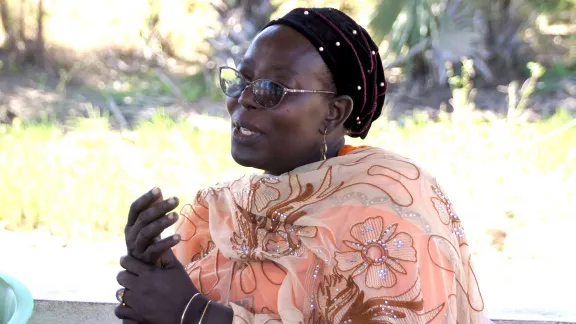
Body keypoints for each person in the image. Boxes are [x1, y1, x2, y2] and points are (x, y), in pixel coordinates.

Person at [114, 7, 487, 324]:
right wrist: (148, 268)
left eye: (272, 90)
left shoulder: (394, 207)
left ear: (334, 111)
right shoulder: (214, 213)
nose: (242, 100)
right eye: (242, 80)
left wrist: (198, 315)